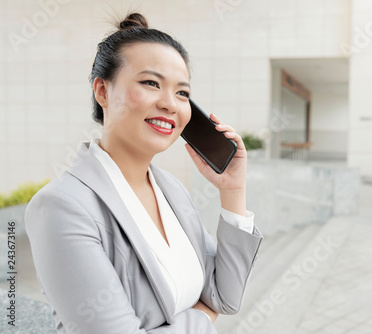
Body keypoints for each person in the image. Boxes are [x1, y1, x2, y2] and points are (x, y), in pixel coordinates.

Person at [25, 12, 263, 334]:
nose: (170, 104)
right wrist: (202, 318)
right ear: (103, 91)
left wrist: (232, 190)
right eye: (151, 83)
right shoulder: (61, 207)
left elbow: (225, 296)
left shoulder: (171, 190)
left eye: (182, 92)